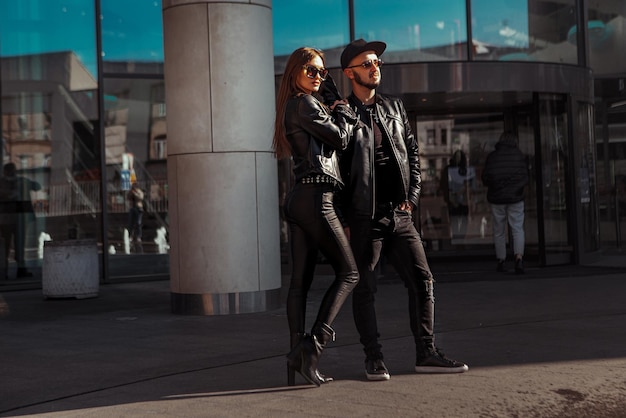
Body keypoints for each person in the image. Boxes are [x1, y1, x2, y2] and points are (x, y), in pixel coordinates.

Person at [338, 39, 468, 381]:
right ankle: (374, 358)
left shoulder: (394, 107)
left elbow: (412, 154)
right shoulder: (342, 113)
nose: (374, 67)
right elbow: (335, 170)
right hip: (363, 217)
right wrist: (344, 218)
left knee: (422, 280)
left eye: (377, 62)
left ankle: (426, 352)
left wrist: (412, 195)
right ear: (350, 72)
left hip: (399, 213)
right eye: (366, 63)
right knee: (365, 288)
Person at [272, 46, 360, 387]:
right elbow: (340, 138)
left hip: (299, 198)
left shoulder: (293, 106)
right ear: (294, 70)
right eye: (311, 69)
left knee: (300, 283)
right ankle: (312, 348)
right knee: (349, 273)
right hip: (315, 198)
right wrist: (344, 112)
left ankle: (297, 356)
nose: (318, 76)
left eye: (323, 72)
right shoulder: (305, 104)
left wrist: (333, 102)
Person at [481, 131, 529, 274]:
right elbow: (525, 177)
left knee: (499, 230)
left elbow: (485, 178)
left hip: (497, 198)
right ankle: (518, 258)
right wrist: (516, 189)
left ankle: (501, 260)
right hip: (516, 198)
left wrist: (497, 186)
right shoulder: (519, 156)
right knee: (517, 228)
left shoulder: (493, 157)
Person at [0, 162, 41, 278]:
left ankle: (20, 269)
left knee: (19, 245)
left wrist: (23, 183)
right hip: (7, 219)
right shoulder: (2, 183)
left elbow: (37, 186)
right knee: (6, 246)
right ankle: (5, 271)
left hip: (18, 218)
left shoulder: (21, 181)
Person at [440, 150, 475, 240]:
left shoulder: (464, 170)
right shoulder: (449, 170)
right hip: (455, 200)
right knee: (457, 221)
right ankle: (458, 239)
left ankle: (459, 239)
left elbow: (472, 185)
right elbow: (443, 184)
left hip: (461, 200)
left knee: (461, 221)